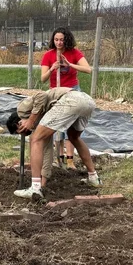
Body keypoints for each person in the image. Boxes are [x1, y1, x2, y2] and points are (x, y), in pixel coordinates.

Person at [12, 87, 101, 200]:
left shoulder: (21, 109)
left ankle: (34, 188)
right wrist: (43, 181)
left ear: (18, 123)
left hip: (71, 99)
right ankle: (93, 177)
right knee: (74, 137)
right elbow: (47, 150)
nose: (28, 130)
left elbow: (41, 96)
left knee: (35, 139)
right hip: (87, 101)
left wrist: (30, 120)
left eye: (23, 130)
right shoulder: (42, 120)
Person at [40, 27, 92, 170]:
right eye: (56, 40)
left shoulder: (74, 53)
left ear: (67, 39)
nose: (59, 42)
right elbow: (43, 78)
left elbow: (88, 69)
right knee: (57, 126)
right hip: (56, 93)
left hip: (72, 92)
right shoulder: (48, 56)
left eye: (62, 39)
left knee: (71, 127)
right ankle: (59, 158)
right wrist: (52, 69)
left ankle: (70, 160)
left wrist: (69, 65)